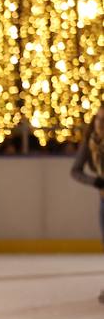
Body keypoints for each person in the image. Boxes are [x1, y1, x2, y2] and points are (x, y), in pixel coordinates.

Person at [70, 103, 104, 304]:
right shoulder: (90, 144)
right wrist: (95, 181)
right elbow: (75, 170)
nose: (101, 124)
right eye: (99, 120)